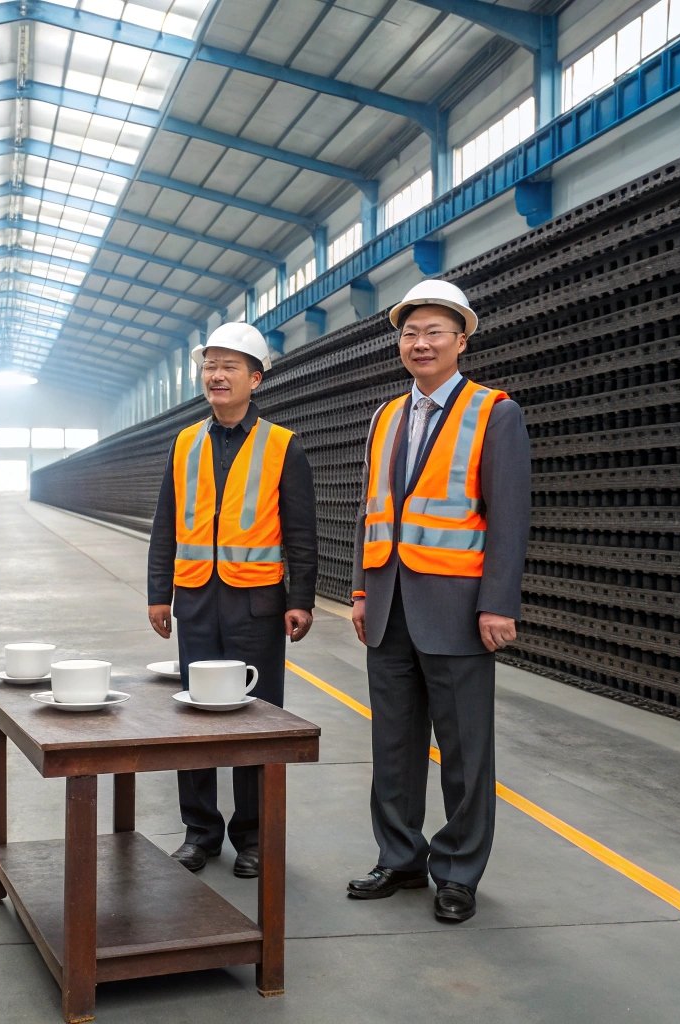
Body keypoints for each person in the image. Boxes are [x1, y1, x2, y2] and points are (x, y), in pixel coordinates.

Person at [347, 279, 530, 923]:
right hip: (388, 604)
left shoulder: (494, 412)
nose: (419, 343)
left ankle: (457, 872)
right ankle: (399, 857)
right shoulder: (385, 417)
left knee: (464, 751)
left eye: (433, 332)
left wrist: (497, 603)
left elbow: (509, 517)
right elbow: (371, 508)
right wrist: (361, 589)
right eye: (410, 333)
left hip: (457, 608)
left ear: (461, 341)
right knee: (393, 746)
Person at [147, 322, 318, 879]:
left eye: (229, 367)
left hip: (257, 605)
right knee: (194, 717)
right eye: (210, 366)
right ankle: (199, 832)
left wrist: (301, 599)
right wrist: (158, 593)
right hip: (196, 599)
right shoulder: (185, 443)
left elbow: (301, 532)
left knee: (255, 718)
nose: (216, 376)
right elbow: (165, 525)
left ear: (255, 378)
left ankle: (253, 835)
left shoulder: (283, 445)